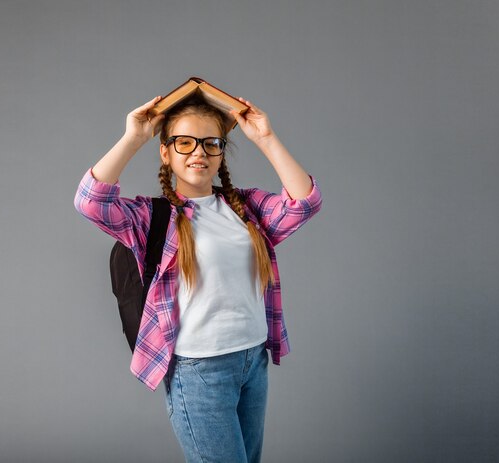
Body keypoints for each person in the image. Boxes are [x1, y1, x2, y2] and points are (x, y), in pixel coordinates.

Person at [74, 91, 322, 463]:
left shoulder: (245, 208)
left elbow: (304, 202)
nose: (198, 153)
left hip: (252, 361)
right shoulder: (152, 218)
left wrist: (266, 139)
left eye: (210, 143)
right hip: (199, 372)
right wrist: (134, 138)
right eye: (184, 142)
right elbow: (91, 202)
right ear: (166, 151)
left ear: (221, 151)